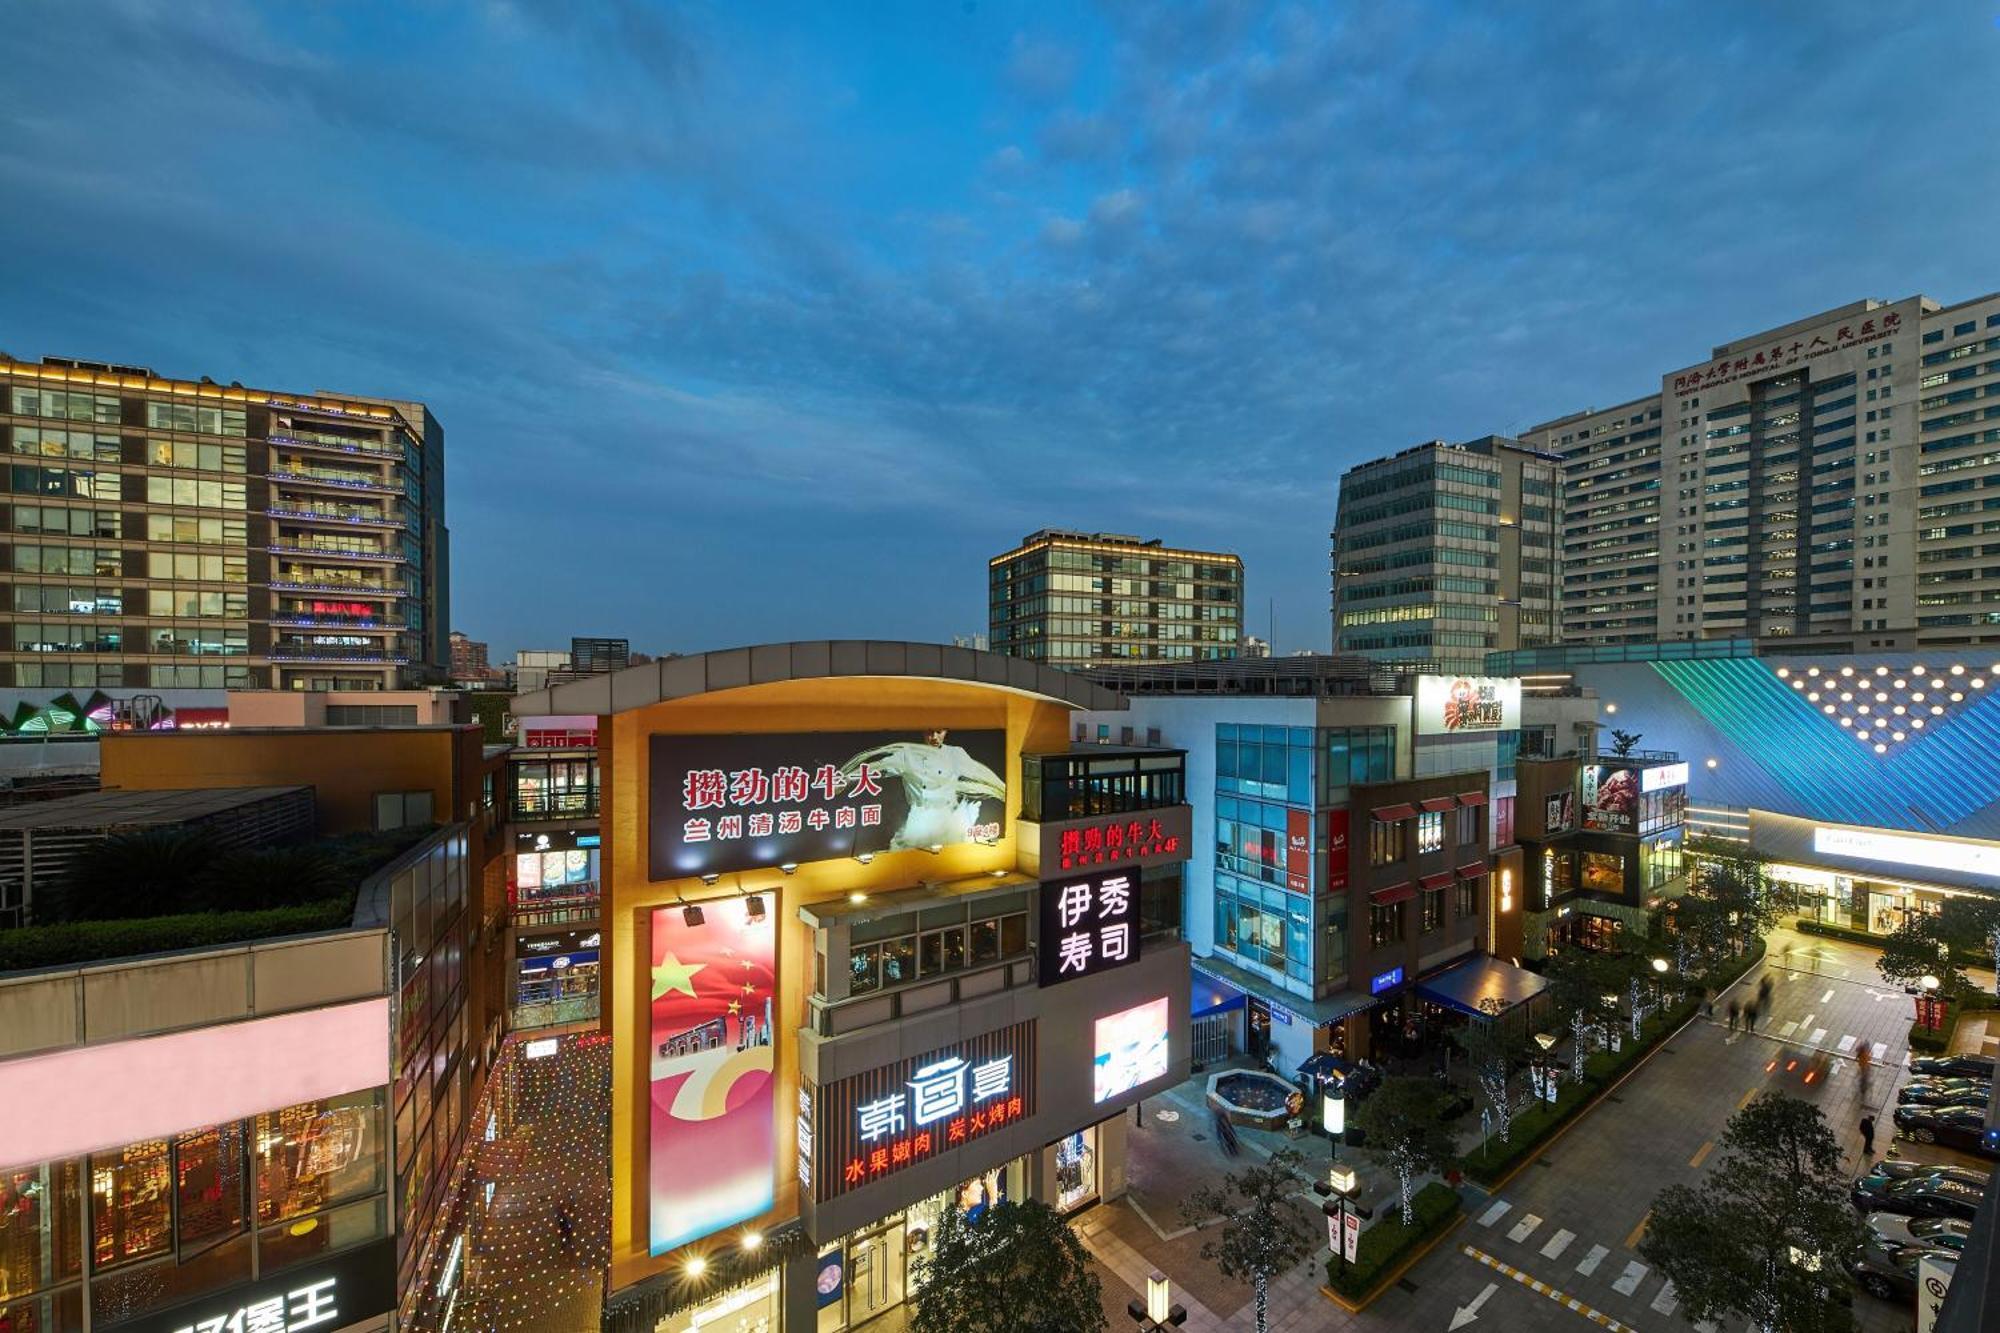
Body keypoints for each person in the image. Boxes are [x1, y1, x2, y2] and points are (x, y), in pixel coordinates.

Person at [838, 730, 1007, 851]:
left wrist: (1004, 790)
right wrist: (847, 778)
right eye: (929, 732)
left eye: (939, 731)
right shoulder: (908, 754)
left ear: (946, 731)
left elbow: (979, 772)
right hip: (918, 821)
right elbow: (880, 767)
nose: (934, 737)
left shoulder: (956, 754)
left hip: (950, 821)